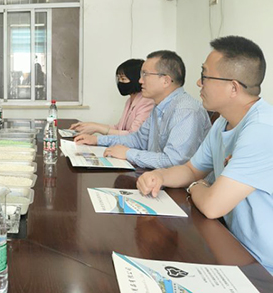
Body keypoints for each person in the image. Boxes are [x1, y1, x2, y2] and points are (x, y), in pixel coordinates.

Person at [137, 36, 273, 274]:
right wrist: (159, 176)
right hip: (233, 246)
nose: (199, 82)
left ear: (233, 87)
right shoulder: (223, 122)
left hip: (263, 267)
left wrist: (195, 186)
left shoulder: (262, 129)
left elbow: (212, 206)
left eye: (205, 76)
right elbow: (191, 169)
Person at [75, 50, 210, 169]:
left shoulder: (185, 111)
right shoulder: (159, 106)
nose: (140, 81)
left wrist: (128, 153)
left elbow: (174, 161)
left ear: (165, 81)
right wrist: (97, 140)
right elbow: (138, 140)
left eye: (145, 74)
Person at [70, 59, 154, 135]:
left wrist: (97, 128)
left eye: (123, 79)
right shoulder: (130, 101)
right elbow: (118, 128)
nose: (120, 82)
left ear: (136, 79)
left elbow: (133, 135)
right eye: (119, 78)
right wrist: (90, 125)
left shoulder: (147, 102)